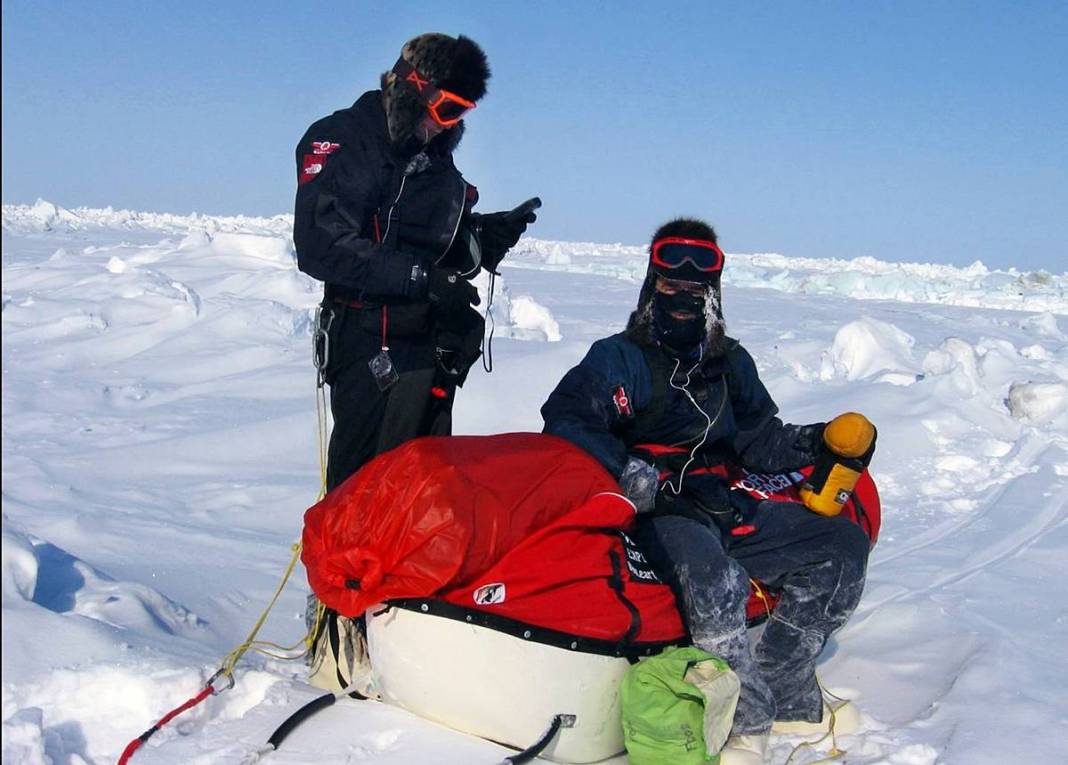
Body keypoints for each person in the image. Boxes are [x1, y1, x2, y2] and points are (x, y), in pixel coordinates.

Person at [541, 218, 871, 764]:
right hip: (658, 511)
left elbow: (759, 439)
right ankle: (739, 718)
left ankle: (783, 681)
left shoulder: (729, 363)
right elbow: (568, 418)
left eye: (699, 283)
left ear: (714, 289)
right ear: (652, 281)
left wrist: (819, 442)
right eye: (672, 280)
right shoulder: (618, 357)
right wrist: (628, 471)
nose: (685, 292)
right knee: (713, 578)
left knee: (841, 547)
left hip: (724, 504)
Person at [294, 33, 538, 491]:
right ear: (411, 89)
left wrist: (484, 237)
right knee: (362, 494)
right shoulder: (343, 140)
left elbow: (430, 245)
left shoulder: (432, 157)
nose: (450, 125)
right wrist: (420, 278)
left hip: (429, 350)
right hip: (371, 350)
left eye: (462, 113)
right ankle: (344, 565)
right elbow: (321, 243)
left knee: (420, 494)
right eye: (447, 109)